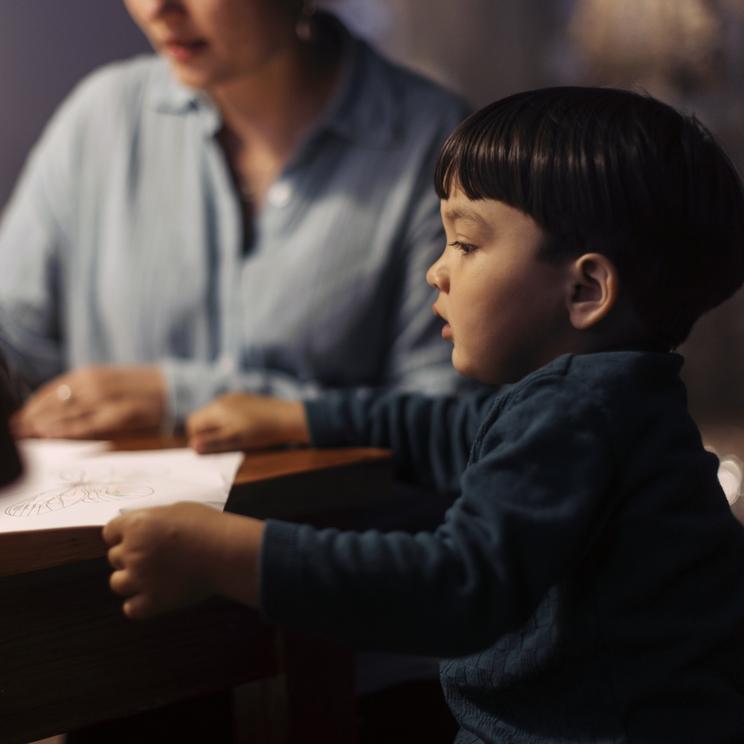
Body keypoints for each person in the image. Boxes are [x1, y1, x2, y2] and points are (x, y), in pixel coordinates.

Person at [104, 86, 744, 742]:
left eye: (465, 243)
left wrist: (224, 552)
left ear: (584, 289)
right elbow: (448, 431)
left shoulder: (575, 415)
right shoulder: (611, 401)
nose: (436, 272)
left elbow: (453, 589)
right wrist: (302, 418)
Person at [1, 0, 468, 440]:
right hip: (103, 518)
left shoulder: (431, 142)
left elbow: (445, 418)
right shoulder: (102, 117)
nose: (157, 8)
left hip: (331, 518)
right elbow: (13, 340)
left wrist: (181, 399)